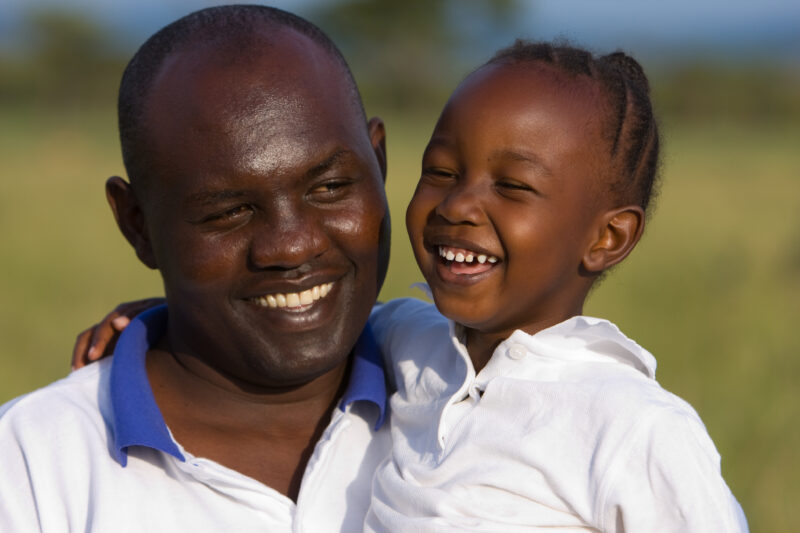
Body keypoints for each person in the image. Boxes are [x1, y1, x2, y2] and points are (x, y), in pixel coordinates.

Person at [0, 5, 392, 532]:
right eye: (229, 212)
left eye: (330, 188)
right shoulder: (29, 468)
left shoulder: (466, 395)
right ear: (138, 225)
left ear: (379, 163)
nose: (293, 246)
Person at [364, 41, 748, 531]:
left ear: (607, 238)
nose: (456, 205)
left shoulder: (633, 427)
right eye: (441, 172)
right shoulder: (405, 341)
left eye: (513, 186)